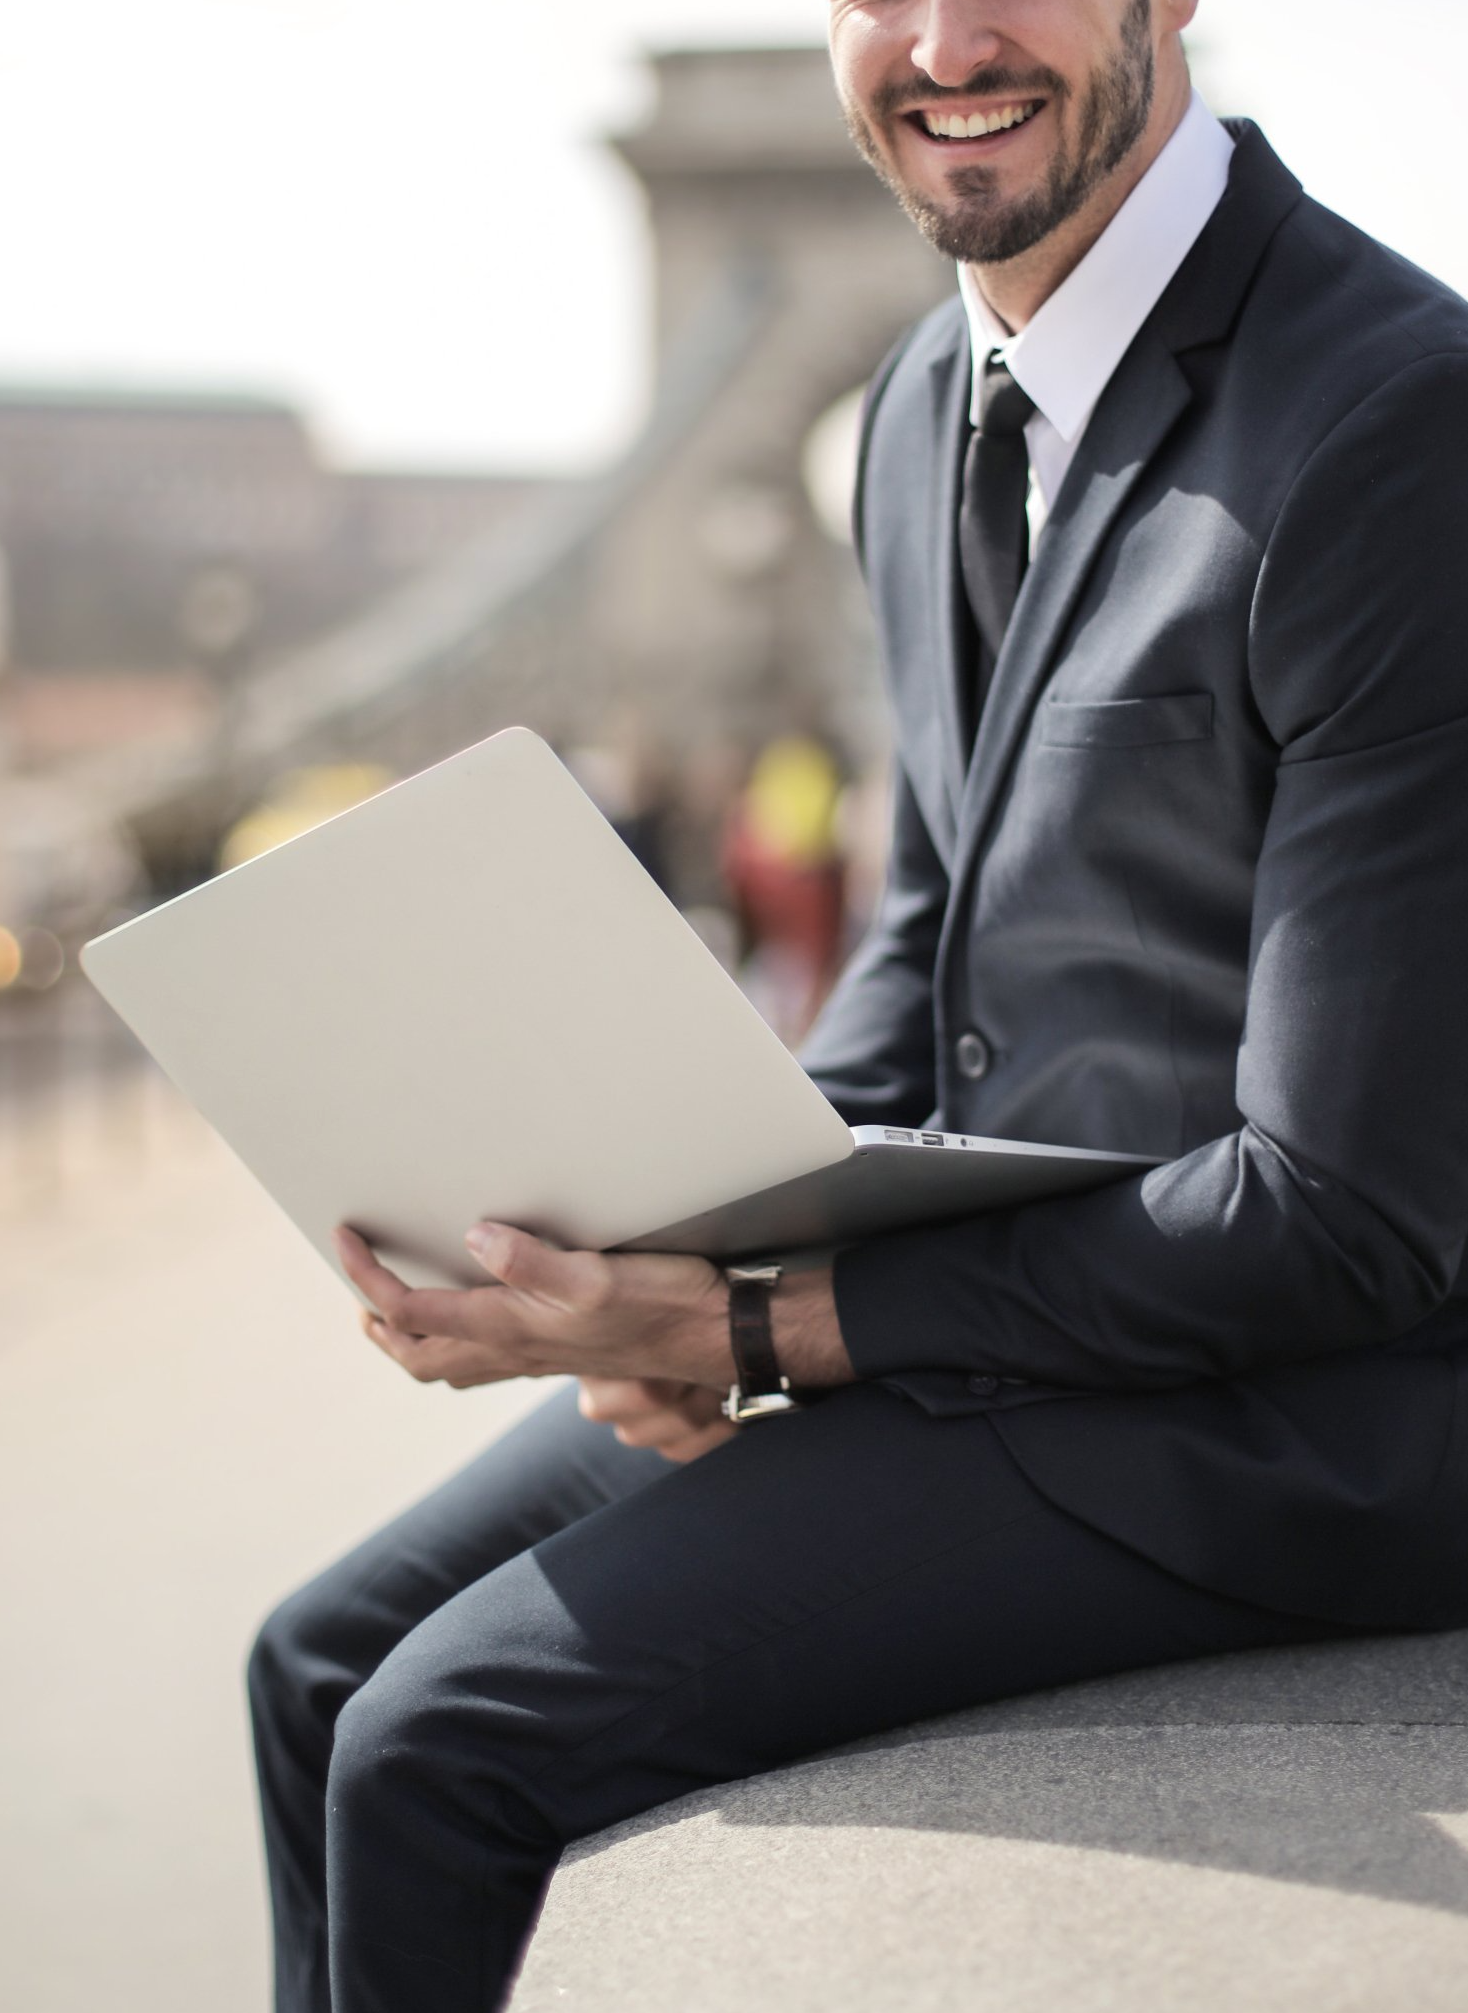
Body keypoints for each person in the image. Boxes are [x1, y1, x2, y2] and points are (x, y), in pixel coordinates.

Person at [248, 4, 1468, 2008]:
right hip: (1013, 1325)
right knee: (308, 1663)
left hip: (1295, 1417)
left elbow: (1346, 1217)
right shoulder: (920, 403)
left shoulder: (1397, 429)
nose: (937, 42)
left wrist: (761, 1324)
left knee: (434, 1744)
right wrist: (654, 1249)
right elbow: (923, 928)